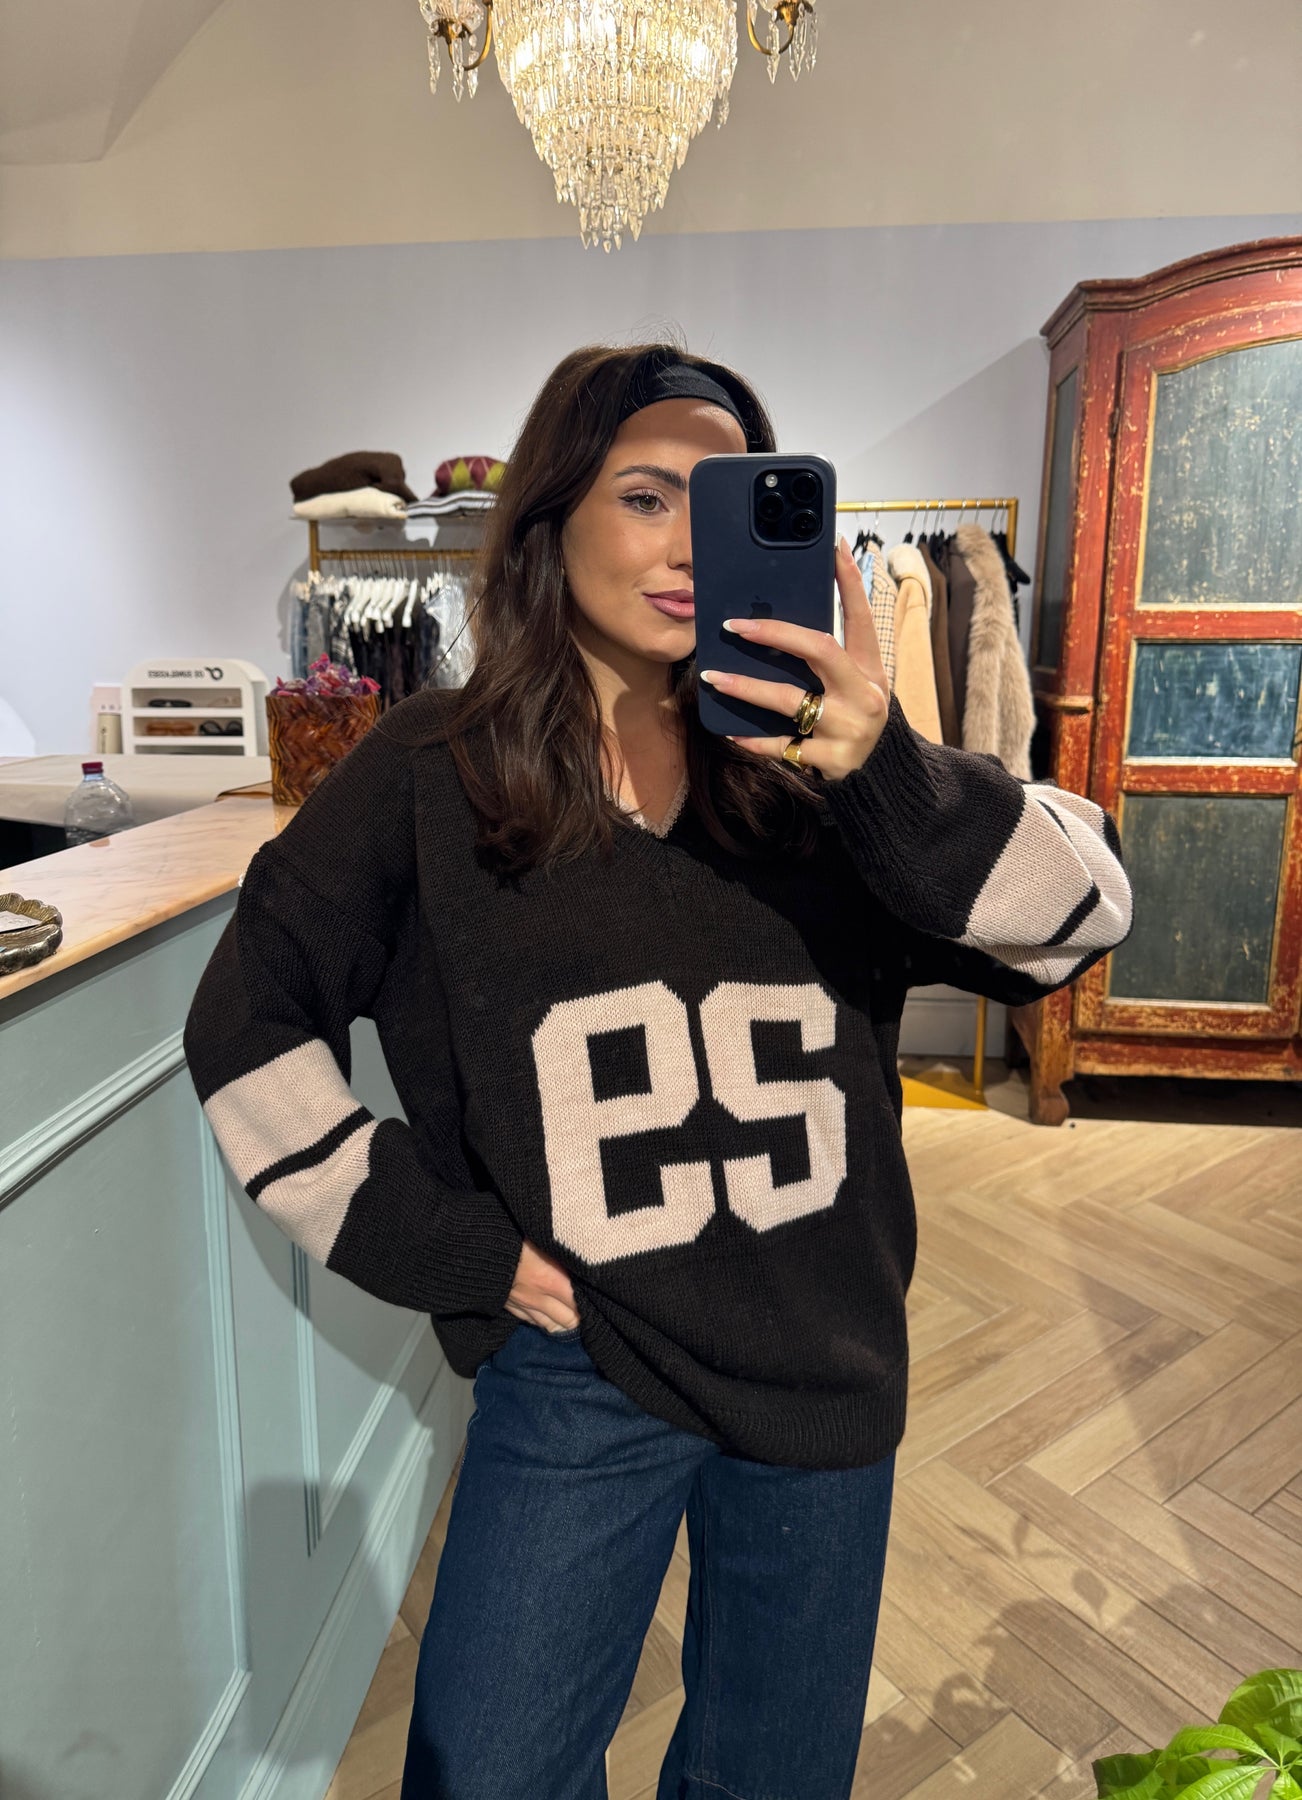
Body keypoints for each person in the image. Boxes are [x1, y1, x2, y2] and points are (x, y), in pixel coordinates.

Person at [183, 339, 1133, 1800]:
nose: (690, 546)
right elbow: (247, 1019)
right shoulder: (435, 771)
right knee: (489, 1771)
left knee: (771, 1780)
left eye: (728, 501)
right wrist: (450, 1247)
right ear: (550, 517)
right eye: (643, 497)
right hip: (580, 1368)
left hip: (818, 1362)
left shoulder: (829, 772)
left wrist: (879, 764)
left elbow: (1082, 918)